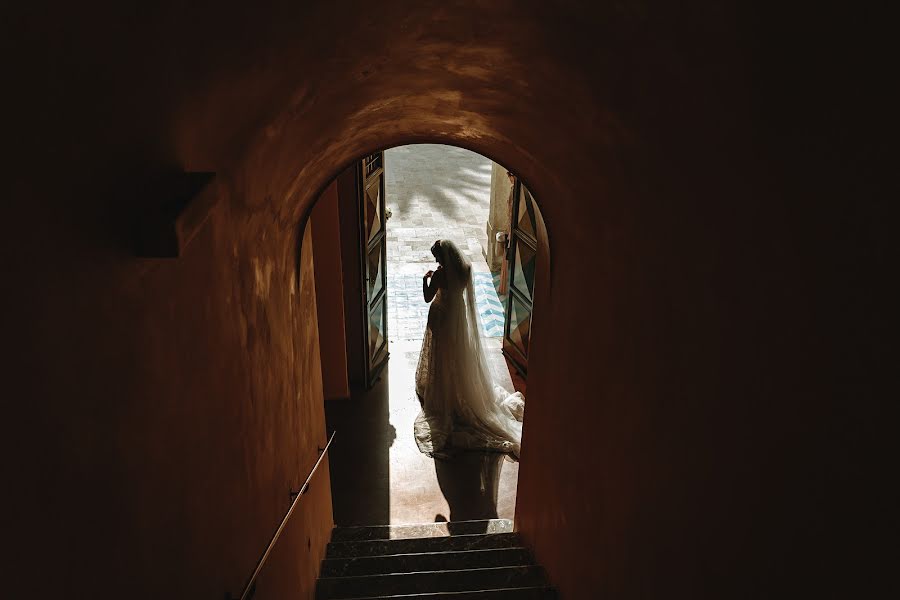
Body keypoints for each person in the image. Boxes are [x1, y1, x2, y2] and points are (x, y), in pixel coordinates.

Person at [414, 239, 525, 459]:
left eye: (437, 257)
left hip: (442, 318)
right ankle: (461, 388)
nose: (436, 260)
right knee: (458, 355)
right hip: (458, 319)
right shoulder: (464, 270)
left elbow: (428, 298)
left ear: (443, 257)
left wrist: (424, 280)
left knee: (442, 355)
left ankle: (445, 391)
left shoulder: (439, 275)